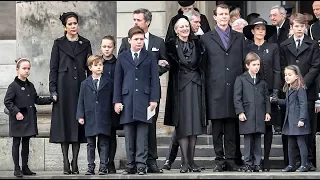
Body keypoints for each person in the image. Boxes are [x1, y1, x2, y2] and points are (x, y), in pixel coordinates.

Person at [118, 8, 169, 173]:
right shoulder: (125, 47)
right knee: (131, 131)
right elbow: (120, 74)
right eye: (134, 19)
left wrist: (153, 71)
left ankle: (149, 162)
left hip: (148, 95)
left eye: (138, 20)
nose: (135, 22)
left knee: (148, 129)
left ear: (147, 22)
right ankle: (132, 164)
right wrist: (117, 100)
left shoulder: (157, 43)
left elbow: (163, 65)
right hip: (128, 96)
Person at [200, 4, 247, 172]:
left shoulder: (239, 37)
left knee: (232, 128)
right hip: (215, 89)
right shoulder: (205, 38)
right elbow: (203, 66)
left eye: (226, 14)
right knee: (217, 129)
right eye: (220, 14)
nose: (223, 17)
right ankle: (219, 161)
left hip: (234, 88)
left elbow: (243, 64)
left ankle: (232, 160)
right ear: (215, 17)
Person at [162, 10, 207, 171]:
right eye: (181, 26)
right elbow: (164, 64)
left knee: (194, 125)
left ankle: (192, 162)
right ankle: (185, 162)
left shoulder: (198, 43)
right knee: (182, 126)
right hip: (179, 89)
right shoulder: (169, 46)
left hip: (196, 87)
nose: (184, 29)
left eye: (186, 26)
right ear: (175, 29)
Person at [49, 12, 92, 175]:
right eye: (70, 24)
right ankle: (66, 161)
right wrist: (53, 89)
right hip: (63, 88)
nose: (74, 26)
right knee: (64, 125)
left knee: (78, 124)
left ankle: (75, 161)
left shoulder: (85, 43)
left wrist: (90, 89)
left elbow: (90, 68)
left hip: (80, 88)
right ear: (65, 26)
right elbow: (53, 68)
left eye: (75, 23)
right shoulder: (58, 43)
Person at [113, 26, 160, 175]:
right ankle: (131, 164)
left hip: (145, 101)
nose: (139, 42)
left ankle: (141, 164)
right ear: (129, 40)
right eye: (136, 39)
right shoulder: (122, 57)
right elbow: (117, 80)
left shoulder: (150, 56)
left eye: (141, 39)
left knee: (142, 134)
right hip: (127, 100)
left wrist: (154, 99)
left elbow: (155, 80)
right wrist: (117, 101)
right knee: (129, 135)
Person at [280, 13, 320, 171]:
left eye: (301, 26)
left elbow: (316, 66)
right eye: (296, 26)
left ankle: (307, 161)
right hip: (291, 92)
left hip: (307, 91)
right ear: (291, 27)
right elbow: (283, 66)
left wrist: (302, 83)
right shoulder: (284, 45)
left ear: (306, 27)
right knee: (291, 128)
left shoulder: (313, 44)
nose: (299, 29)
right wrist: (290, 83)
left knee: (307, 128)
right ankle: (293, 162)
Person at [242, 18, 281, 171]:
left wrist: (276, 92)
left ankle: (266, 158)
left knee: (268, 126)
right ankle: (251, 160)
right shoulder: (247, 47)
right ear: (252, 31)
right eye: (257, 28)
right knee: (252, 126)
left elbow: (277, 70)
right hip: (251, 92)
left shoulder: (273, 47)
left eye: (263, 29)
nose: (260, 31)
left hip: (269, 91)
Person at [4, 58, 53, 177]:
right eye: (24, 68)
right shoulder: (13, 86)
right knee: (16, 143)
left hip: (28, 120)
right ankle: (16, 168)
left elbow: (36, 99)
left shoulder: (30, 85)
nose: (27, 71)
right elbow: (7, 101)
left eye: (28, 68)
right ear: (17, 70)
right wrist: (16, 112)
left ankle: (25, 167)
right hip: (18, 120)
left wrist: (51, 99)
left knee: (26, 143)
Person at [234, 52, 271, 172]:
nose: (257, 67)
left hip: (259, 114)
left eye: (258, 64)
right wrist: (240, 112)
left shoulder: (262, 81)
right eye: (254, 64)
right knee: (248, 139)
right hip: (247, 113)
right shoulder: (241, 79)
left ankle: (257, 163)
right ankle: (248, 162)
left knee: (258, 138)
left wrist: (267, 112)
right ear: (247, 65)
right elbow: (237, 97)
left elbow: (266, 98)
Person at [76, 55, 113, 175]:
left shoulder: (108, 82)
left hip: (104, 116)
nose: (99, 67)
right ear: (90, 67)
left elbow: (112, 98)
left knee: (103, 143)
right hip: (90, 117)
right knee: (90, 144)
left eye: (100, 65)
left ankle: (103, 166)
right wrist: (80, 115)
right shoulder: (85, 83)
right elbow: (81, 100)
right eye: (96, 65)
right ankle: (90, 166)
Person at [271, 65, 310, 172]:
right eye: (285, 75)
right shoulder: (289, 89)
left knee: (301, 143)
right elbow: (287, 103)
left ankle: (304, 165)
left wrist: (302, 119)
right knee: (290, 144)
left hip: (298, 121)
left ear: (297, 76)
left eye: (289, 75)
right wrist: (276, 100)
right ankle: (291, 165)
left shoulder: (300, 89)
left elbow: (303, 105)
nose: (287, 77)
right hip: (290, 121)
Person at [100, 35, 119, 174]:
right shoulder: (97, 63)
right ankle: (102, 162)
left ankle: (110, 162)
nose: (106, 49)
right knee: (101, 134)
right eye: (104, 47)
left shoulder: (118, 63)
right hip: (99, 104)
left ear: (114, 47)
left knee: (112, 134)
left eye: (109, 47)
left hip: (112, 103)